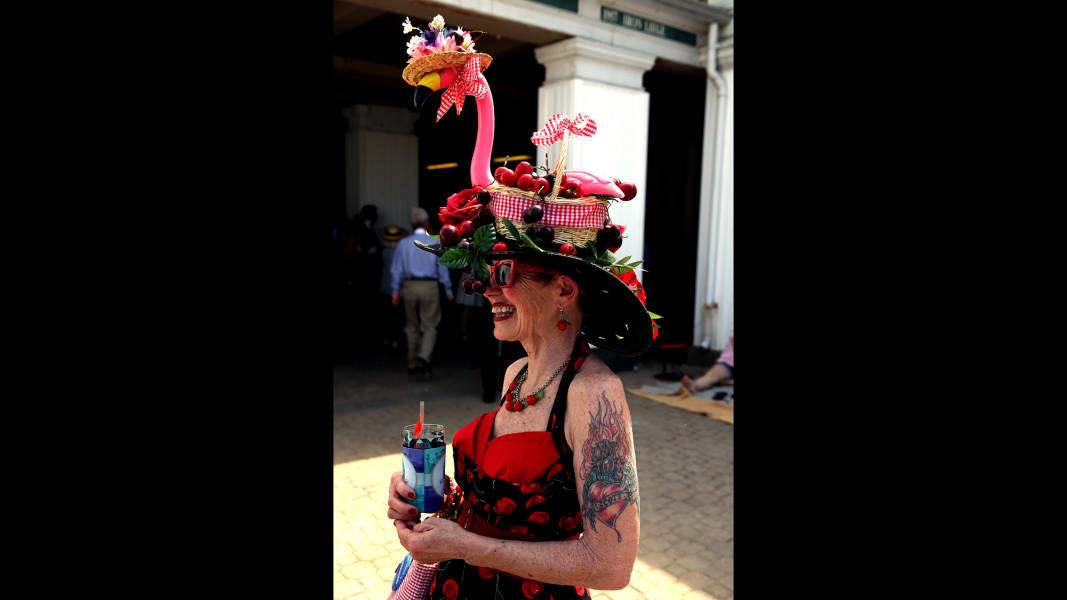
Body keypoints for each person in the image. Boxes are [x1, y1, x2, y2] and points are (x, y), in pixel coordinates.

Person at [390, 207, 454, 377]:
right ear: (426, 223)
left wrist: (395, 291)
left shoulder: (403, 243)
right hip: (429, 287)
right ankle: (424, 356)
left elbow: (396, 269)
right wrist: (448, 289)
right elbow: (443, 269)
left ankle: (412, 363)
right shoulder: (434, 242)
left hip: (409, 287)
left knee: (411, 325)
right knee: (429, 324)